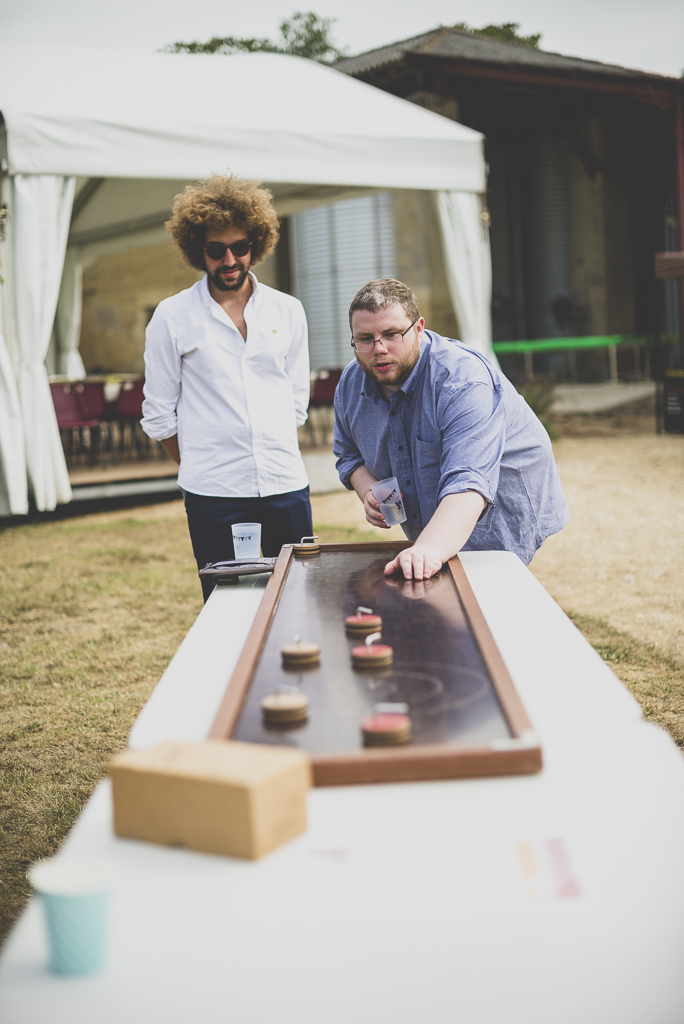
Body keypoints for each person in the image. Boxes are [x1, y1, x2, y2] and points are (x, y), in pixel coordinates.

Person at [141, 175, 313, 601]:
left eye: (240, 247)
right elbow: (159, 416)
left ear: (257, 243)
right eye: (216, 250)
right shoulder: (171, 316)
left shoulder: (288, 310)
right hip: (212, 490)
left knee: (295, 598)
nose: (230, 259)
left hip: (285, 483)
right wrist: (199, 463)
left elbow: (295, 401)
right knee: (226, 604)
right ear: (198, 250)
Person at [333, 278, 569, 581]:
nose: (379, 349)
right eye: (365, 338)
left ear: (418, 329)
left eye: (392, 334)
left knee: (486, 600)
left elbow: (468, 481)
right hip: (436, 517)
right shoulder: (351, 385)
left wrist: (430, 548)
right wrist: (369, 491)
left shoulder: (463, 381)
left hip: (497, 510)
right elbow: (349, 454)